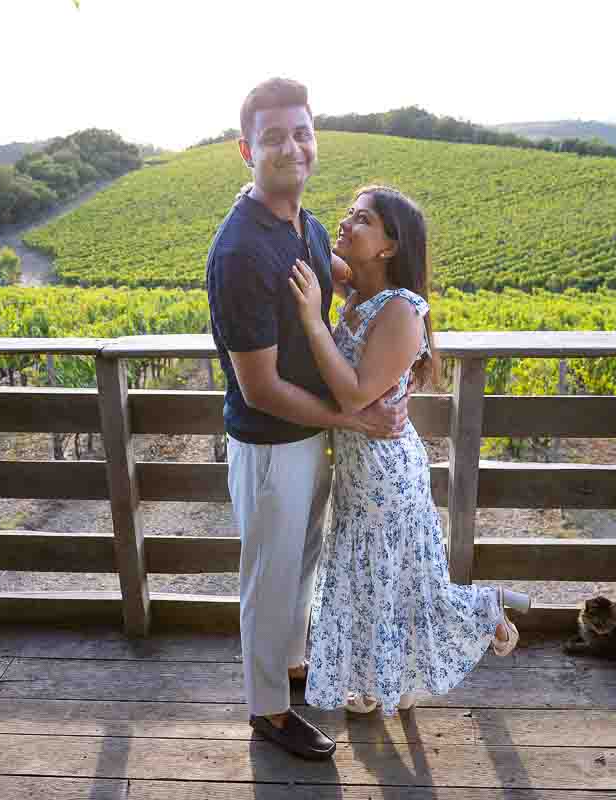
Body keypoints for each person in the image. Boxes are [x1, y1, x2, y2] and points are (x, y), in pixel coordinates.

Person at [206, 78, 407, 760]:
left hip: (311, 432)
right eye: (272, 136)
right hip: (270, 442)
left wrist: (403, 318)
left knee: (302, 562)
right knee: (269, 575)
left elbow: (349, 275)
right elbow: (259, 388)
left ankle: (293, 664)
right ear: (245, 150)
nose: (291, 146)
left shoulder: (307, 225)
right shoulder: (241, 252)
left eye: (302, 132)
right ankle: (268, 710)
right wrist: (355, 419)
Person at [288, 185, 531, 716]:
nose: (347, 224)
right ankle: (376, 682)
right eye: (349, 214)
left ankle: (484, 609)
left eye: (363, 220)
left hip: (384, 473)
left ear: (389, 247)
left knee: (395, 580)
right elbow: (301, 239)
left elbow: (354, 393)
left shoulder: (401, 312)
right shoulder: (354, 287)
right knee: (374, 577)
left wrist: (311, 319)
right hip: (357, 464)